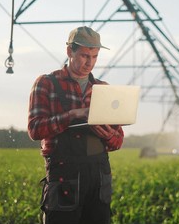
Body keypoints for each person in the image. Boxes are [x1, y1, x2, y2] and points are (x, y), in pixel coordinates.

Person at [28, 26, 124, 224]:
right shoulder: (46, 83)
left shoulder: (103, 89)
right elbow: (35, 129)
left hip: (98, 177)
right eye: (84, 56)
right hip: (63, 175)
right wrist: (72, 115)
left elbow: (118, 141)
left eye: (94, 56)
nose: (89, 62)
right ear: (69, 51)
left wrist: (107, 134)